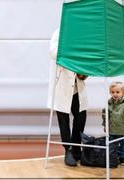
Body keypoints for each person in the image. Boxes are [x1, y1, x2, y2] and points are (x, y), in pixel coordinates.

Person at [48, 28, 88, 166]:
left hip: (78, 84)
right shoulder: (59, 32)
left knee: (81, 116)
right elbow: (53, 52)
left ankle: (77, 148)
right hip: (62, 85)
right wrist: (71, 51)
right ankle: (68, 150)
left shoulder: (80, 33)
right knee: (63, 119)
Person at [102, 81, 124, 166]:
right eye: (113, 92)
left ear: (123, 93)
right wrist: (105, 124)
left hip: (122, 129)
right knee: (112, 143)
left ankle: (122, 157)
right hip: (112, 128)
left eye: (118, 92)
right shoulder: (109, 103)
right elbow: (105, 115)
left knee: (123, 144)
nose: (115, 94)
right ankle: (113, 156)